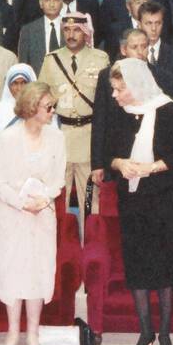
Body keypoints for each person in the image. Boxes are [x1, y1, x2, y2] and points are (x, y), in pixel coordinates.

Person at [98, 58, 173, 345]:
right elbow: (107, 153)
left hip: (161, 196)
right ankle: (145, 331)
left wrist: (150, 169)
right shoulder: (118, 113)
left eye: (119, 89)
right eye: (113, 89)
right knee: (136, 263)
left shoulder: (169, 110)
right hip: (131, 198)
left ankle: (163, 334)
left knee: (164, 265)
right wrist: (119, 163)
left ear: (136, 85)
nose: (114, 95)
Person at [0, 81, 64, 345]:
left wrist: (45, 199)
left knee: (38, 271)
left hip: (43, 213)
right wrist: (22, 203)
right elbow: (0, 183)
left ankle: (33, 332)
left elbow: (58, 179)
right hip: (12, 214)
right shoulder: (8, 138)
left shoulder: (57, 137)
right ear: (32, 108)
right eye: (49, 107)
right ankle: (12, 331)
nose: (53, 111)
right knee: (12, 271)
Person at [38, 13, 107, 217]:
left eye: (76, 29)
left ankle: (90, 245)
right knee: (58, 197)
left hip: (89, 136)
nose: (71, 34)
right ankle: (60, 245)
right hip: (61, 134)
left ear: (85, 32)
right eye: (66, 30)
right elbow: (42, 97)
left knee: (91, 199)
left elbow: (106, 100)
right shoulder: (51, 60)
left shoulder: (100, 59)